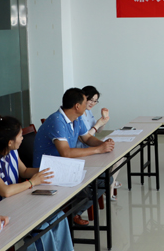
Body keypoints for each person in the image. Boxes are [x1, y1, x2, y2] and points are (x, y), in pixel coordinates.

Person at [0, 113, 73, 251]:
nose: (22, 138)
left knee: (58, 216)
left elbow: (25, 171)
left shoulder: (12, 152)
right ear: (10, 141)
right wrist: (33, 182)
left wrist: (49, 170)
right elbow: (5, 191)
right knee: (40, 226)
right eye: (20, 136)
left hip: (15, 203)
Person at [33, 87, 115, 225]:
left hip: (66, 165)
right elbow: (66, 153)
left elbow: (87, 138)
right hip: (49, 171)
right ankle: (68, 216)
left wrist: (104, 144)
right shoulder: (57, 120)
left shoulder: (76, 118)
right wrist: (98, 150)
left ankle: (73, 214)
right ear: (77, 106)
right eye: (85, 102)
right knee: (90, 186)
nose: (88, 105)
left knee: (106, 179)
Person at [80, 86, 122, 199]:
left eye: (95, 101)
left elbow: (98, 131)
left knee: (119, 156)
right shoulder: (78, 115)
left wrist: (103, 121)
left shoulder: (88, 112)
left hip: (92, 145)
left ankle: (110, 184)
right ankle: (109, 185)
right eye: (91, 100)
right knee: (115, 157)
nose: (93, 103)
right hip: (84, 149)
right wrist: (98, 124)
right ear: (83, 98)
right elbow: (85, 137)